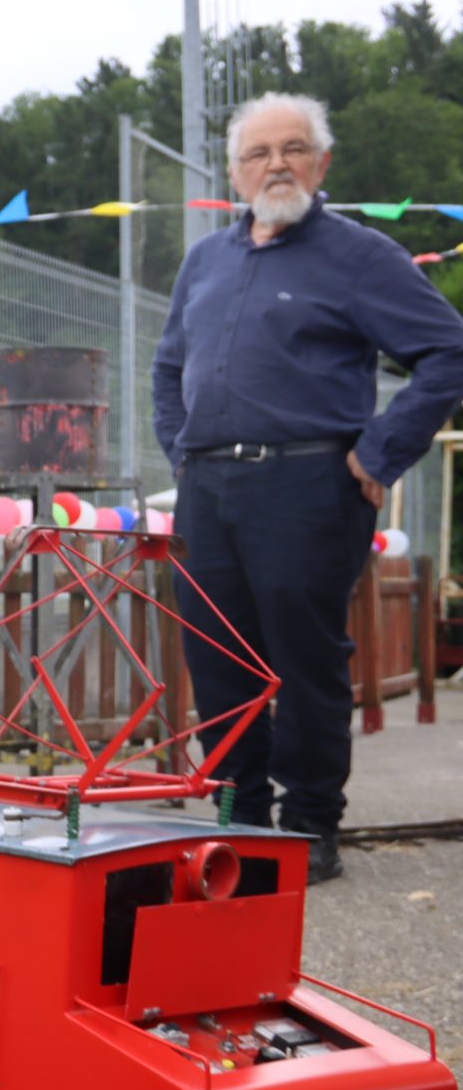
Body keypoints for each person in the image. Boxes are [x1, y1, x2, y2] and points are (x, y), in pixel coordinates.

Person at [152, 92, 463, 883]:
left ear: (322, 164)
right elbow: (167, 367)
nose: (277, 164)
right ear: (234, 173)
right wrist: (181, 454)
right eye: (258, 153)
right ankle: (239, 821)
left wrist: (381, 452)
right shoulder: (205, 261)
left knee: (304, 658)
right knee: (217, 660)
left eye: (294, 148)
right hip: (207, 489)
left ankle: (309, 825)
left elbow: (448, 351)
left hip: (309, 484)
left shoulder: (360, 256)